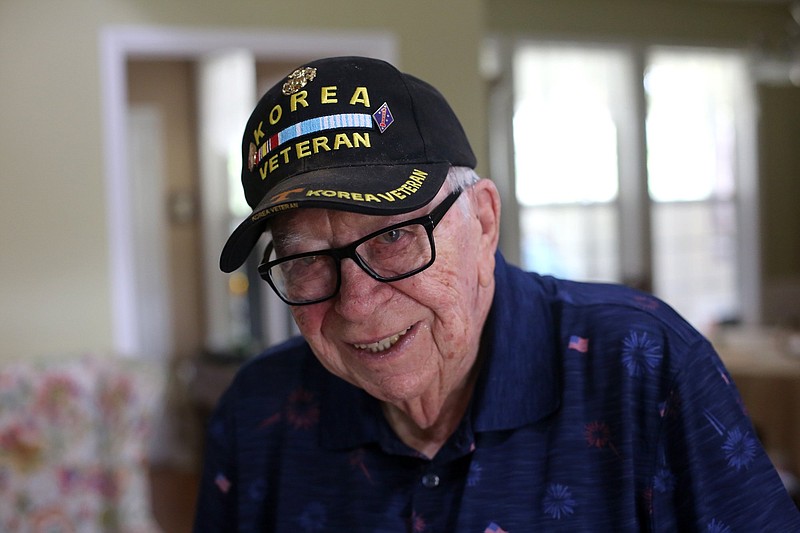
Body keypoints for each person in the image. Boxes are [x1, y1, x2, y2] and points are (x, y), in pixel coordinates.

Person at [194, 56, 800, 532]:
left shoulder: (644, 366)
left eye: (396, 236)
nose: (356, 304)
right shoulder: (259, 413)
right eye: (304, 259)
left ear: (483, 221)